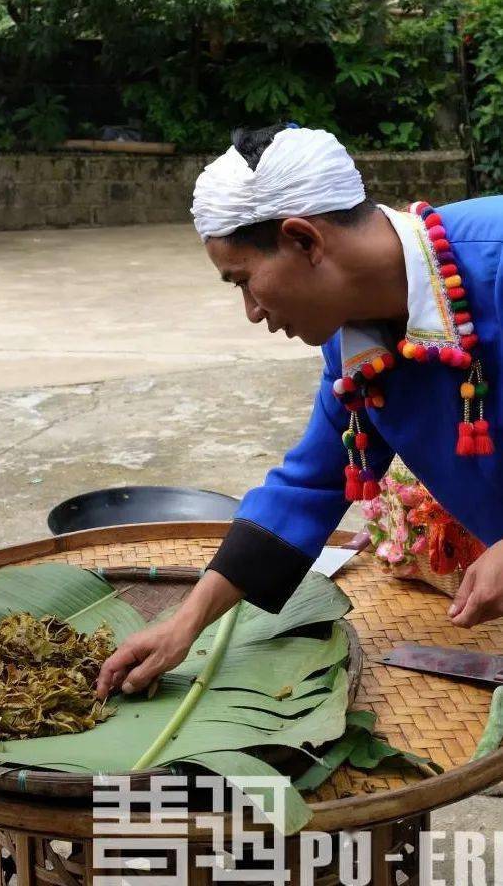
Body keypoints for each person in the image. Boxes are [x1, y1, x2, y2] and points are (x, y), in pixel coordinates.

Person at [96, 122, 503, 701]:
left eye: (244, 280)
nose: (252, 312)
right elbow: (310, 484)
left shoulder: (497, 256)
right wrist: (183, 625)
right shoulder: (350, 348)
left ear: (304, 240)